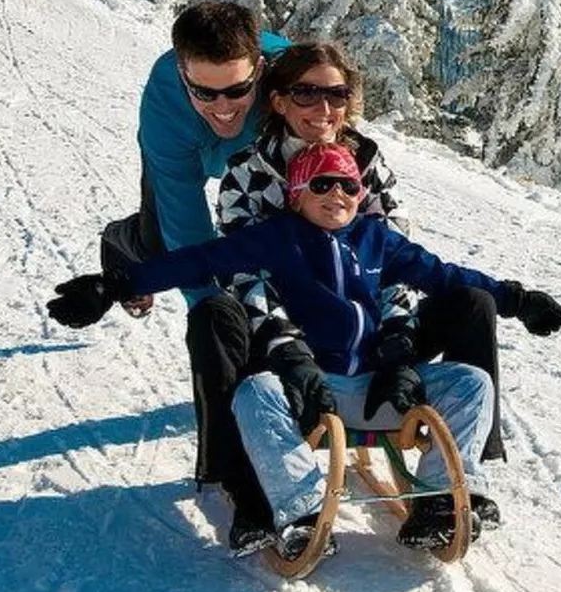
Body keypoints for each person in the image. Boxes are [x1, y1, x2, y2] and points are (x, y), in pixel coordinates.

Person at [49, 142, 561, 554]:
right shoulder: (277, 238)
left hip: (380, 383)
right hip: (310, 388)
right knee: (254, 393)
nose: (337, 194)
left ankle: (439, 499)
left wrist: (517, 300)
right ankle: (297, 510)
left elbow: (447, 275)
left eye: (347, 185)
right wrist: (115, 284)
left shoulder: (379, 239)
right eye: (321, 184)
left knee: (471, 382)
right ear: (296, 193)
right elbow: (197, 261)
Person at [216, 43, 513, 467]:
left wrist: (398, 343)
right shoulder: (249, 173)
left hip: (370, 337)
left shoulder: (368, 164)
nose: (323, 107)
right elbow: (244, 274)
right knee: (215, 317)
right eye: (306, 94)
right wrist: (288, 348)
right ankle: (243, 478)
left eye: (336, 95)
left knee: (472, 303)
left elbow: (397, 263)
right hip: (293, 341)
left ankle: (460, 470)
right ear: (279, 101)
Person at [97, 0, 292, 542]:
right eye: (204, 91)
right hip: (183, 153)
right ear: (183, 72)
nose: (223, 106)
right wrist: (223, 324)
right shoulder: (164, 107)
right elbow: (190, 233)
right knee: (163, 245)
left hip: (250, 158)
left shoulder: (286, 76)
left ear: (260, 67)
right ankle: (120, 246)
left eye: (236, 90)